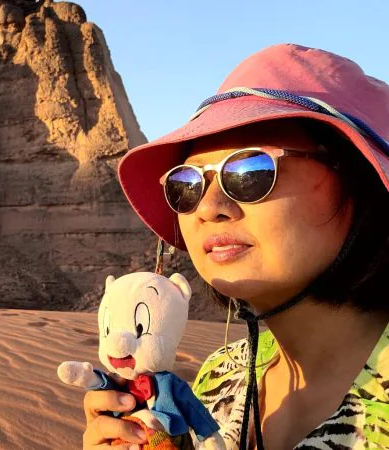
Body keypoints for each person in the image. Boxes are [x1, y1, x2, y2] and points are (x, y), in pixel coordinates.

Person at [81, 43, 389, 449]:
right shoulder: (221, 377)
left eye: (250, 171)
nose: (209, 208)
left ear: (358, 178)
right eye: (186, 184)